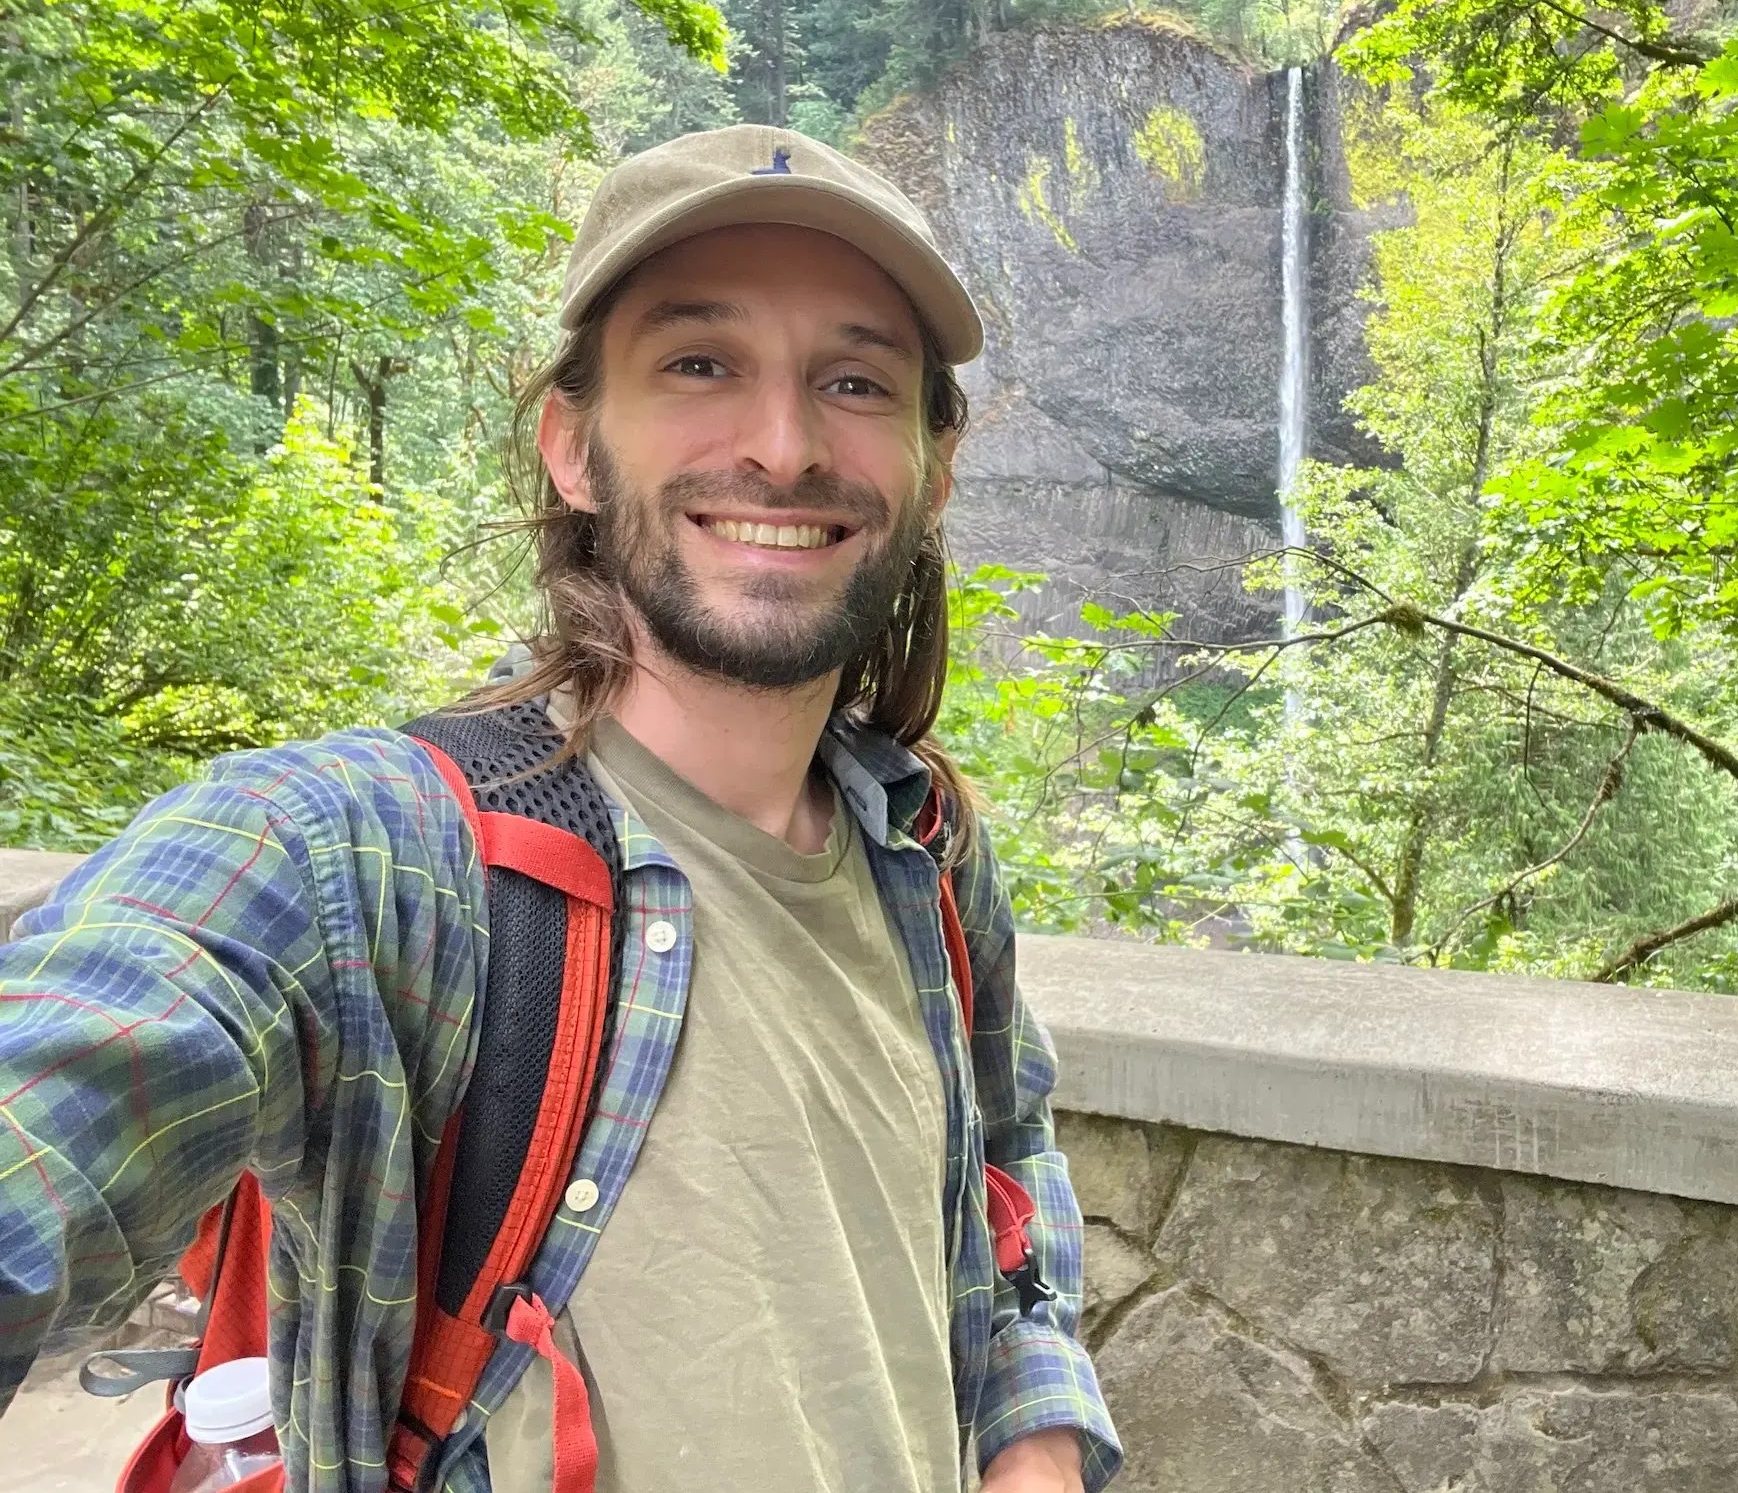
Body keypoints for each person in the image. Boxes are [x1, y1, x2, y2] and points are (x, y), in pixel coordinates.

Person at [0, 126, 1121, 1493]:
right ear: (574, 447)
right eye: (699, 363)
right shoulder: (366, 853)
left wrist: (1036, 1441)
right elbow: (85, 1061)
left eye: (854, 381)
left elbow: (1007, 1154)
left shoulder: (923, 844)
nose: (783, 448)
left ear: (931, 471)